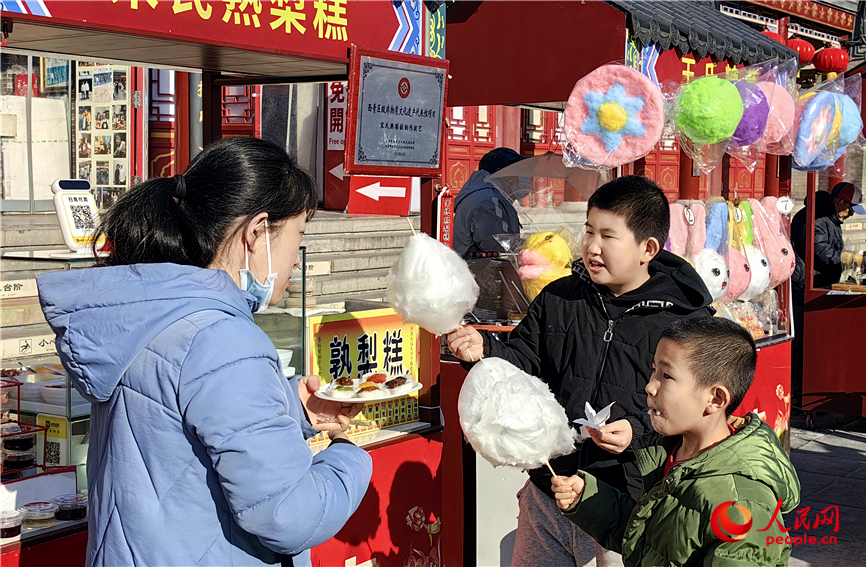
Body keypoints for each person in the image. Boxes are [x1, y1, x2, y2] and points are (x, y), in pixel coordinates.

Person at [37, 137, 372, 567]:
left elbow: (173, 428)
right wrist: (348, 457)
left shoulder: (153, 312)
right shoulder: (222, 339)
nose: (296, 259)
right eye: (298, 235)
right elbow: (290, 514)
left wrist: (290, 407)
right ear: (257, 232)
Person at [448, 176, 714, 566]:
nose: (592, 246)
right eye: (589, 231)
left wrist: (637, 431)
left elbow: (696, 411)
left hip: (625, 503)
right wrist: (483, 349)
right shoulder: (559, 297)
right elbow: (523, 363)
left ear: (648, 248)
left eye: (608, 236)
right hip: (550, 488)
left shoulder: (682, 324)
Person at [552, 317, 801, 566]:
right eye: (653, 371)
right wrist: (589, 499)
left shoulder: (743, 505)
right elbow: (651, 540)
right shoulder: (669, 452)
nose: (650, 386)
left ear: (715, 399)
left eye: (666, 375)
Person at [790, 182, 864, 407]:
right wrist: (851, 260)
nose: (850, 214)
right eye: (849, 209)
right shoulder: (814, 219)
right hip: (805, 286)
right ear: (839, 202)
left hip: (822, 283)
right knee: (802, 344)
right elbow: (822, 252)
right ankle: (798, 396)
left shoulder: (831, 219)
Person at [453, 147, 528, 259]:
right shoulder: (487, 200)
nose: (517, 178)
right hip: (477, 267)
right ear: (500, 172)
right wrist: (529, 245)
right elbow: (496, 244)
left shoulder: (489, 194)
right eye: (514, 173)